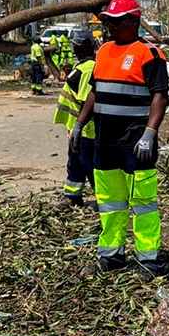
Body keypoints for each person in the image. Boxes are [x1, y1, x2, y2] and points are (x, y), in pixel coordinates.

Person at [72, 0, 169, 275]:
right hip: (105, 143)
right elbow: (95, 91)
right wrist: (79, 124)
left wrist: (150, 133)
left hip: (135, 143)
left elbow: (160, 95)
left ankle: (149, 260)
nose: (111, 27)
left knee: (143, 203)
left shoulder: (148, 54)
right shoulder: (104, 51)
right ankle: (112, 256)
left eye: (116, 22)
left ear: (133, 22)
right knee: (110, 204)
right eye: (108, 22)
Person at [53, 31, 97, 207]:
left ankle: (104, 199)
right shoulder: (83, 66)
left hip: (87, 130)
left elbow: (87, 100)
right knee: (75, 163)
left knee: (90, 165)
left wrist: (79, 126)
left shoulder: (88, 69)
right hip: (77, 128)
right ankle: (72, 196)